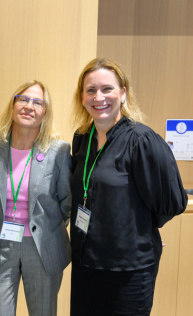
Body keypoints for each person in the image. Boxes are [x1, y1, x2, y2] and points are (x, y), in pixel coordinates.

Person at [70, 57, 188, 316]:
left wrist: (142, 230)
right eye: (91, 90)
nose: (99, 97)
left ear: (123, 93)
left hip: (128, 271)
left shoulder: (142, 140)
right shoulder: (81, 139)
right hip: (85, 264)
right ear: (82, 97)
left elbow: (171, 202)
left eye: (107, 89)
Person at [0, 80, 72, 316]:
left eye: (38, 102)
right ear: (13, 104)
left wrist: (45, 229)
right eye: (24, 99)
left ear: (45, 112)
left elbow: (67, 202)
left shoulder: (58, 150)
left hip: (42, 247)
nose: (29, 106)